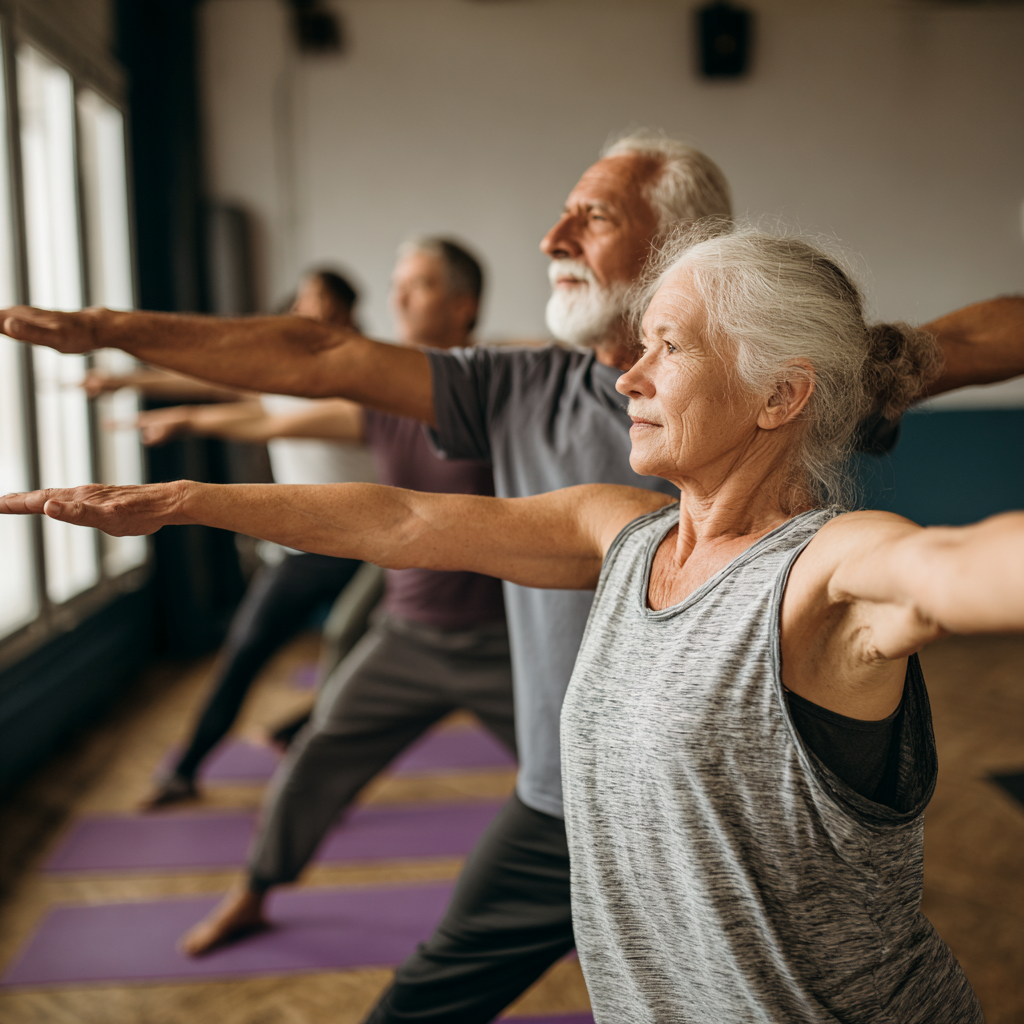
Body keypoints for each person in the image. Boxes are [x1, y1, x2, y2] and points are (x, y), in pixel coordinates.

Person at [4, 132, 1024, 1021]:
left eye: (665, 347)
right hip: (585, 839)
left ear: (778, 394)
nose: (626, 376)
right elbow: (403, 516)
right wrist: (185, 500)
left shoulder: (825, 566)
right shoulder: (620, 526)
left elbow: (952, 564)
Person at [143, 236, 519, 957]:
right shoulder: (379, 402)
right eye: (397, 283)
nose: (397, 297)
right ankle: (254, 891)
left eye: (418, 284)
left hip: (502, 643)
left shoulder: (505, 389)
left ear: (463, 305)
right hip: (405, 636)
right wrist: (187, 421)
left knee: (578, 773)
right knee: (314, 763)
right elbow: (274, 416)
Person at [143, 268, 371, 808]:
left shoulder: (367, 370)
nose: (309, 309)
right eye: (301, 299)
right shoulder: (278, 375)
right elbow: (213, 381)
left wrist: (191, 421)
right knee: (244, 652)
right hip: (298, 550)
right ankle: (186, 769)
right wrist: (129, 384)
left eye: (322, 300)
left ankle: (297, 736)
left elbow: (271, 425)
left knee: (366, 665)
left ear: (345, 310)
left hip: (367, 546)